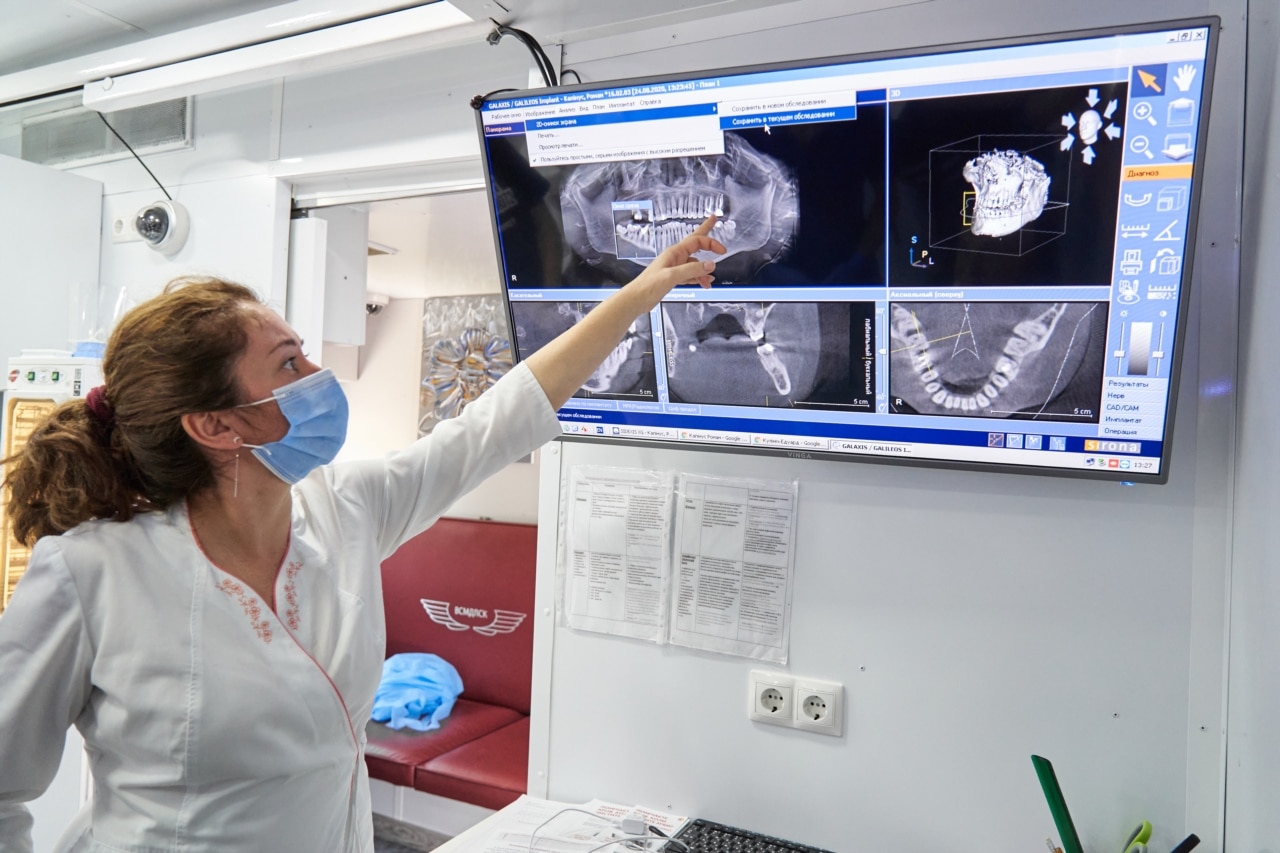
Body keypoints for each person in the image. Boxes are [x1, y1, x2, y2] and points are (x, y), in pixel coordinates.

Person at [0, 219, 725, 853]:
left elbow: (496, 423)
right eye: (289, 364)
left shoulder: (343, 509)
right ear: (216, 425)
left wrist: (639, 294)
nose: (320, 376)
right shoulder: (92, 572)